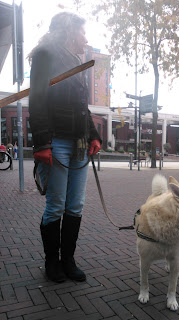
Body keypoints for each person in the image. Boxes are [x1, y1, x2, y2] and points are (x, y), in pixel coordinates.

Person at [28, 12, 101, 283]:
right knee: (56, 205)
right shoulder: (46, 55)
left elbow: (81, 107)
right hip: (56, 141)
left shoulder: (75, 61)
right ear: (70, 31)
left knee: (76, 205)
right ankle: (52, 263)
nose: (86, 38)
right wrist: (42, 142)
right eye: (83, 32)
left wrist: (93, 135)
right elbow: (36, 99)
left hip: (79, 143)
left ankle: (68, 260)